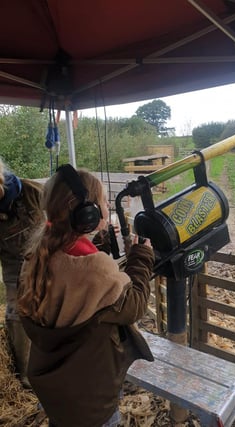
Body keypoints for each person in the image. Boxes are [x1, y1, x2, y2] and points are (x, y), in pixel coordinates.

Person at [18, 164, 155, 427]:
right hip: (91, 401)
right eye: (103, 201)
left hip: (57, 393)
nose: (107, 206)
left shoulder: (35, 257)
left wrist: (97, 245)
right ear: (87, 213)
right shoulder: (94, 269)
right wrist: (142, 257)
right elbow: (134, 304)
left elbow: (73, 290)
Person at [0, 158, 44, 386]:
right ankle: (26, 376)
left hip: (44, 256)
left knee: (51, 303)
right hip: (13, 264)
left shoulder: (32, 192)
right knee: (16, 312)